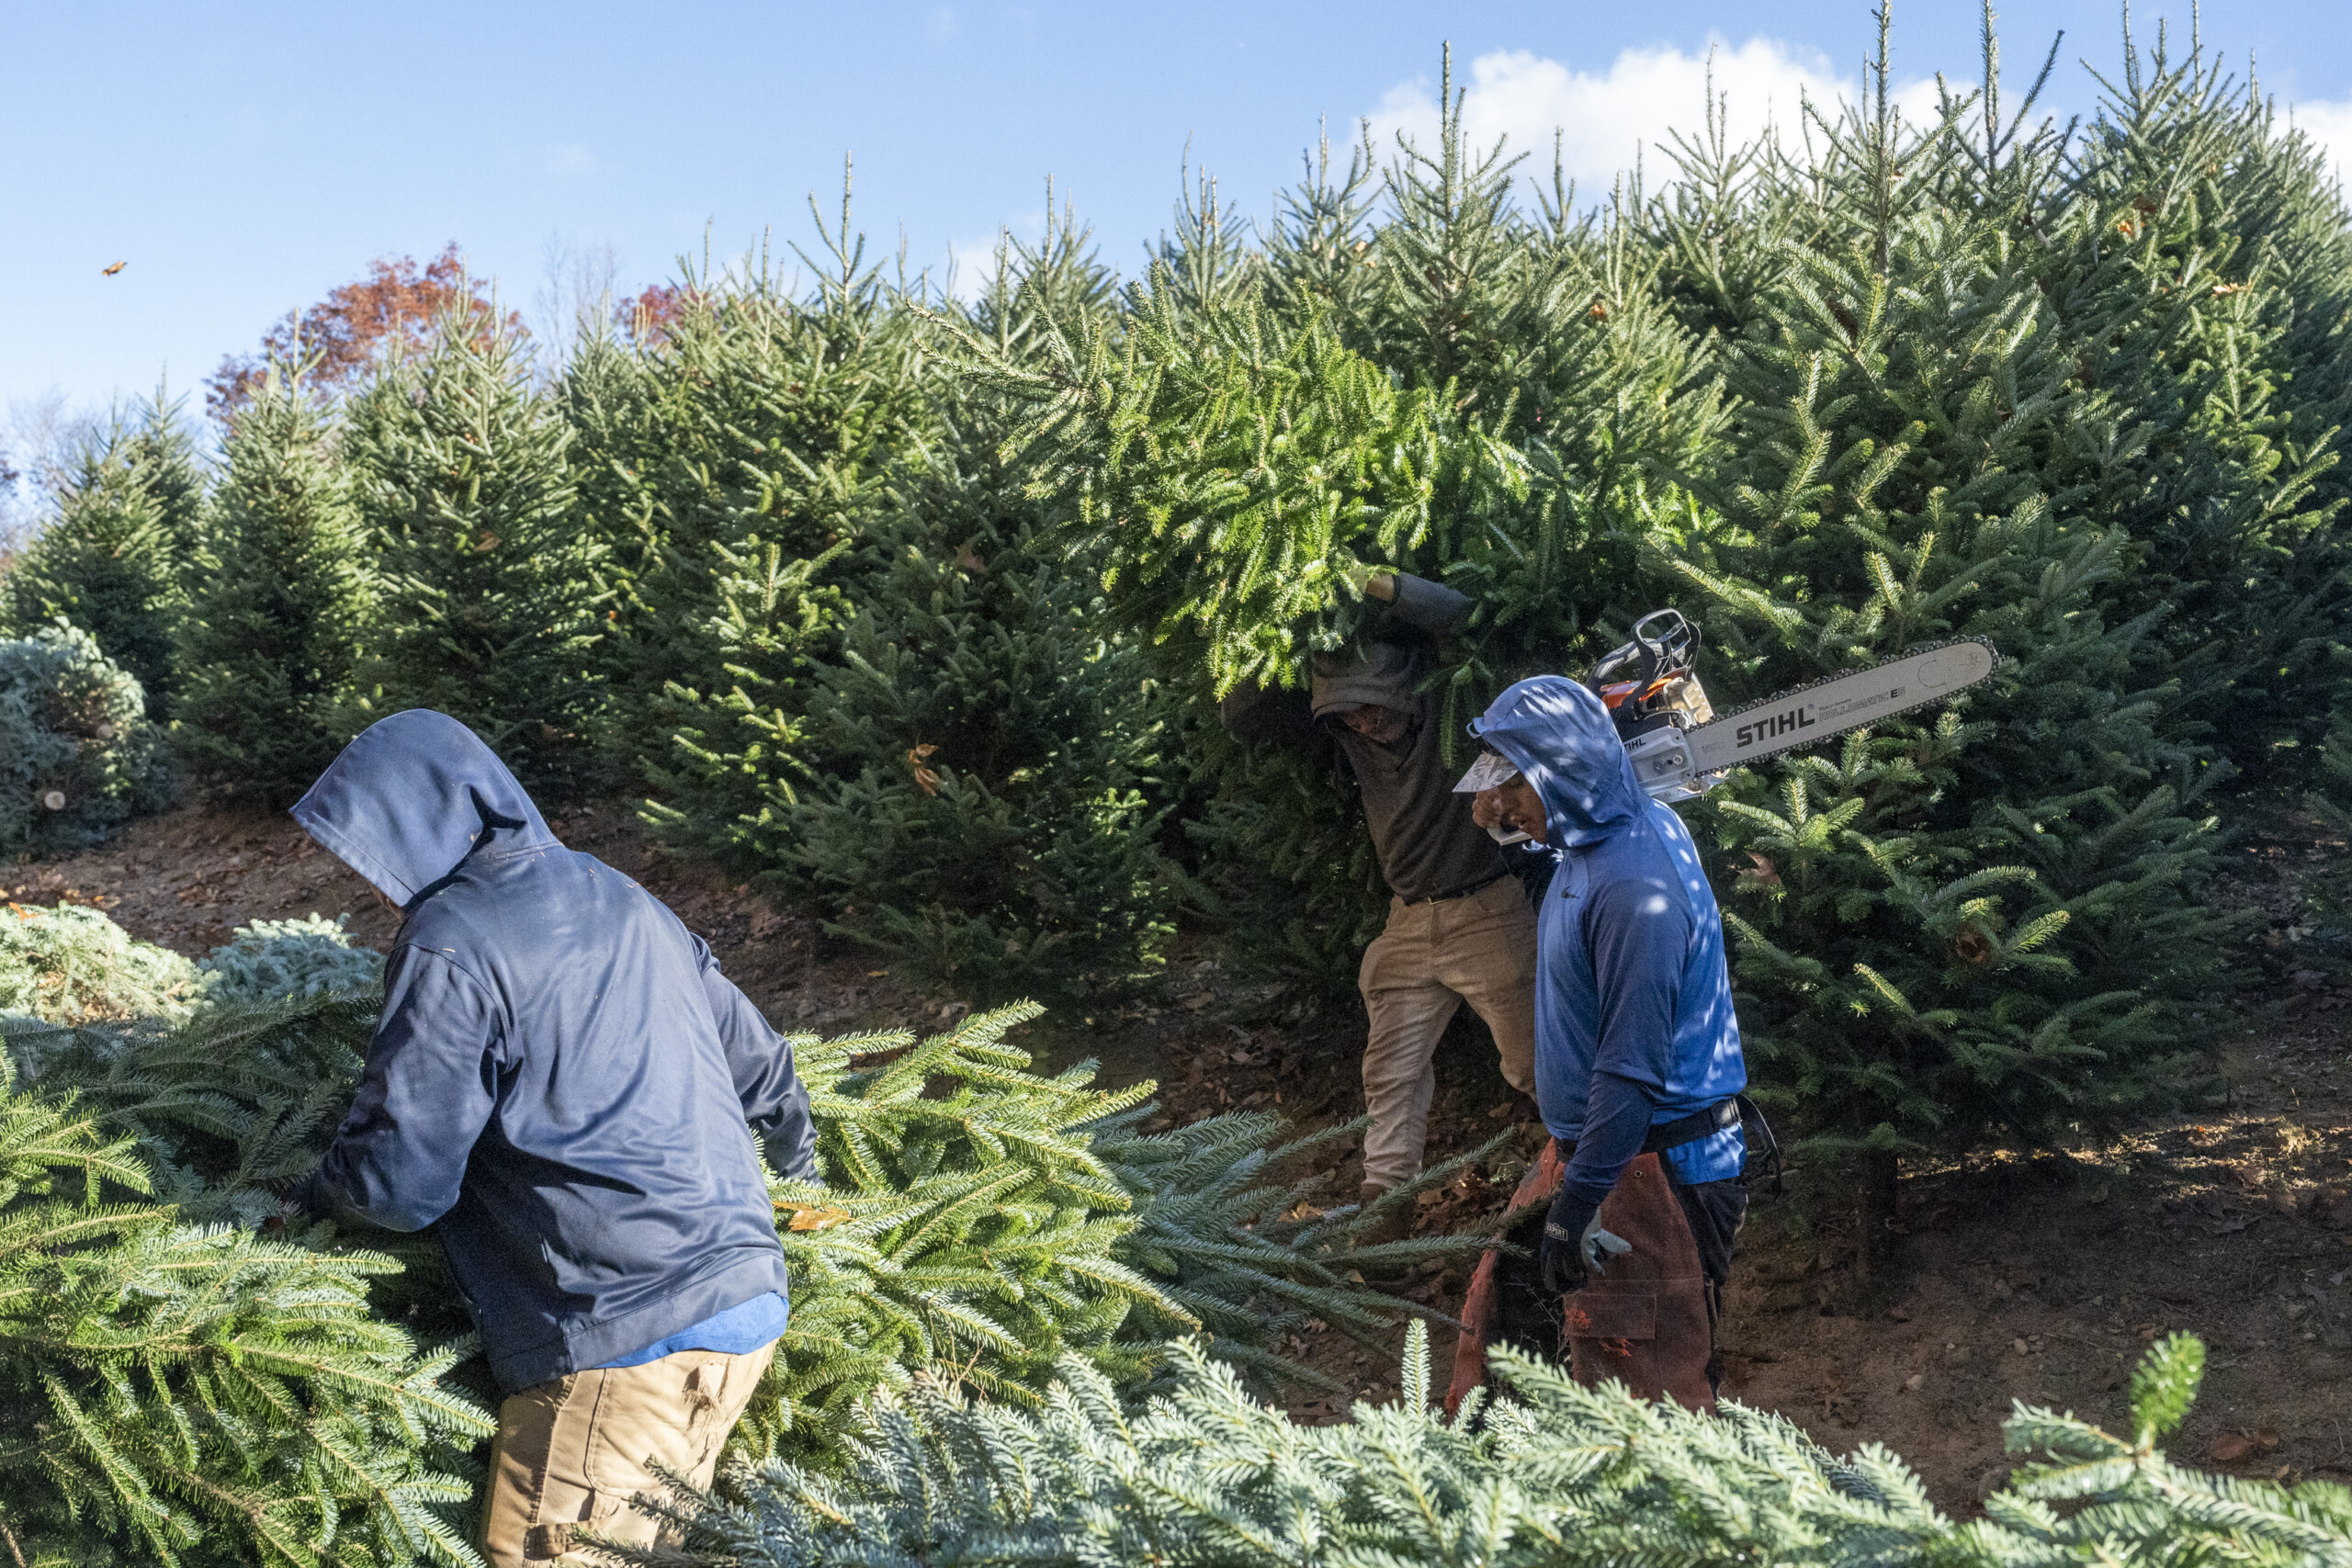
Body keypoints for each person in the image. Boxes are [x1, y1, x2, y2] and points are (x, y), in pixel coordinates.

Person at [285, 709, 818, 1565]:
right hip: (747, 1298)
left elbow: (399, 1180)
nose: (373, 885)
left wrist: (303, 1200)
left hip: (623, 1330)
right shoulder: (619, 891)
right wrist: (803, 1159)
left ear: (414, 827)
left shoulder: (450, 938)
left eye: (371, 851)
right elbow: (757, 1056)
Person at [1448, 674, 1748, 1410]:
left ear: (1561, 774)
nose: (1492, 802)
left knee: (1641, 1400)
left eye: (1508, 781)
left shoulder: (1634, 890)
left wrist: (1578, 1203)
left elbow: (1632, 1073)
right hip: (1600, 1154)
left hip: (1656, 1171)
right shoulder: (1590, 844)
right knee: (1507, 1354)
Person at [1220, 570, 1538, 1249]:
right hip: (1407, 922)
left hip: (1487, 911)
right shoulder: (1350, 739)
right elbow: (1240, 714)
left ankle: (1606, 1177)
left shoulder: (1456, 711)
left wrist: (1383, 587)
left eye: (1370, 702)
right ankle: (1384, 1220)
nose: (1364, 718)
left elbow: (1470, 617)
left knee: (1535, 1062)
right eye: (1346, 710)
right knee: (1390, 1069)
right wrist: (1289, 618)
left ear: (1401, 685)